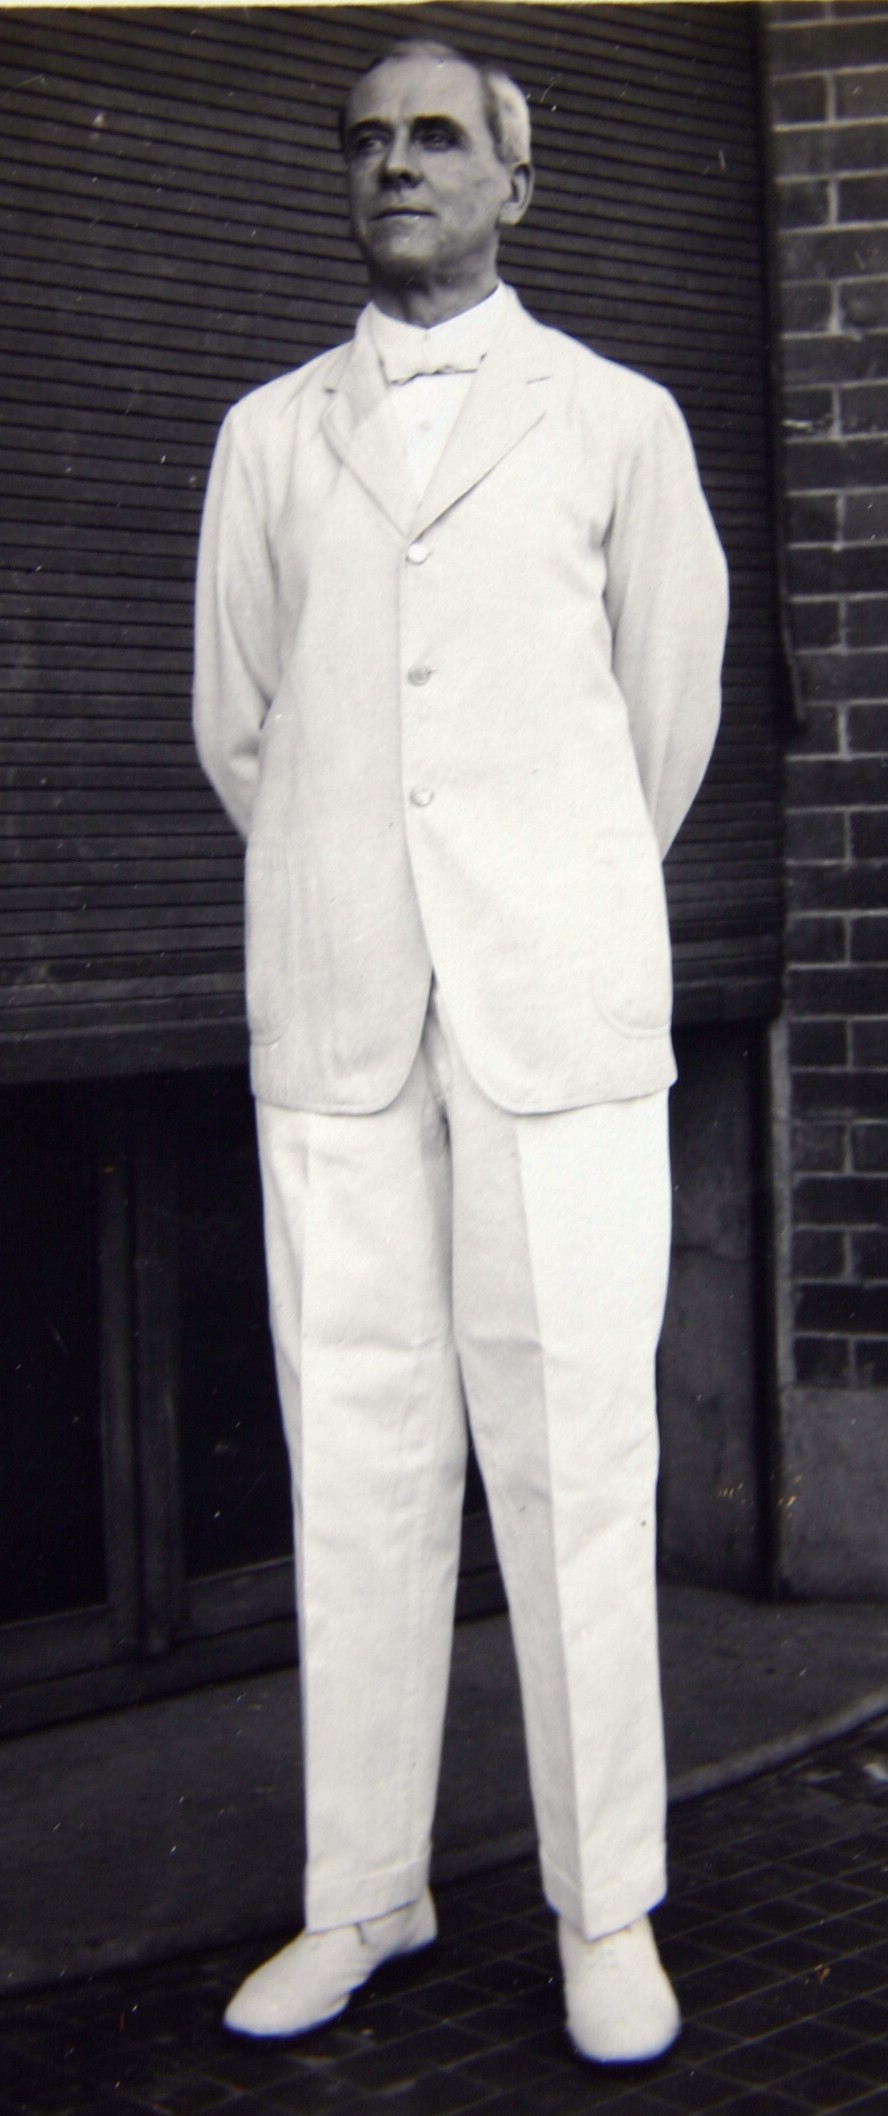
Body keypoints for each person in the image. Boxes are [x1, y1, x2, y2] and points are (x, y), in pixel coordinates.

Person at [193, 37, 728, 2067]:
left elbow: (661, 724)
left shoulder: (619, 423)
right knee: (356, 1452)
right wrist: (369, 896)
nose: (395, 166)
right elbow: (244, 731)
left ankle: (610, 1906)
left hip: (550, 1020)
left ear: (517, 179)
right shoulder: (269, 438)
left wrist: (535, 899)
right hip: (343, 1013)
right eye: (366, 141)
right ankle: (364, 1890)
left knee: (577, 1457)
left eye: (436, 137)